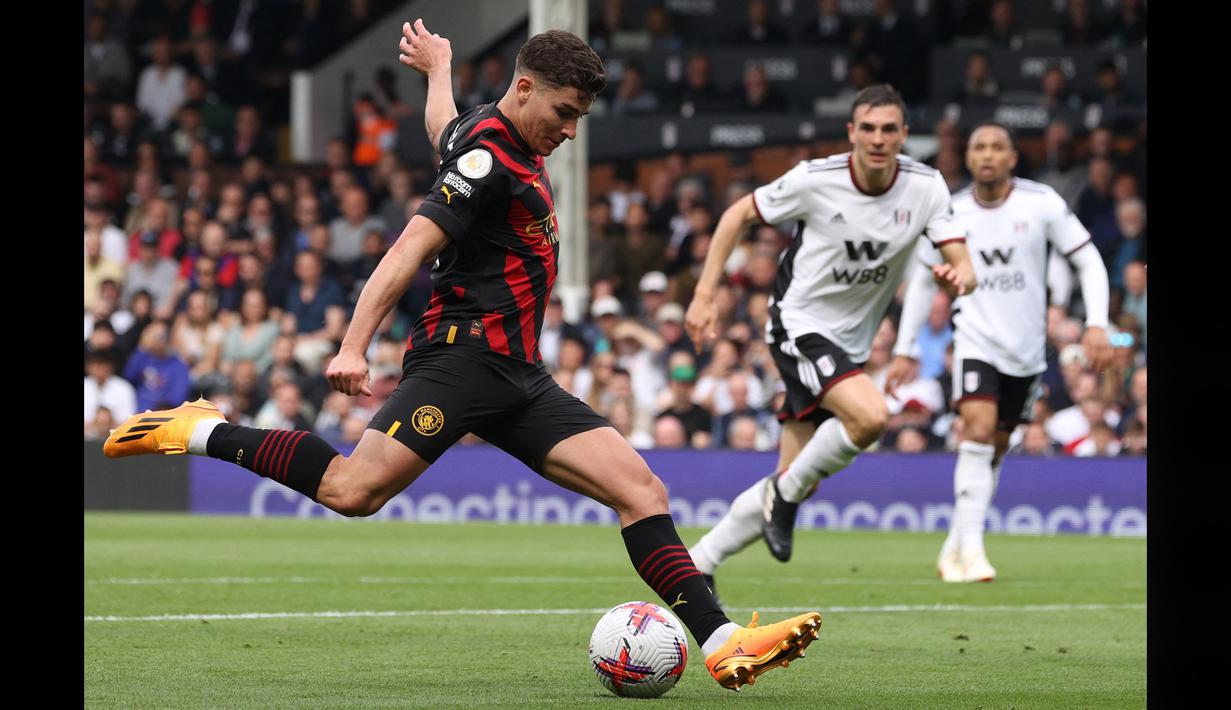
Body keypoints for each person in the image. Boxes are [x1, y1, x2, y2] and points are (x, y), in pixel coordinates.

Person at [104, 21, 820, 692]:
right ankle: (197, 428)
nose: (569, 131)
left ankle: (722, 639)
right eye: (563, 112)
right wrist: (354, 343)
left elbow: (443, 132)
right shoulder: (489, 159)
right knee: (353, 493)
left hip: (517, 375)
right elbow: (409, 247)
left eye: (579, 119)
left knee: (642, 492)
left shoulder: (492, 138)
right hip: (460, 363)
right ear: (525, 90)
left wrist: (438, 71)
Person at [684, 85, 976, 595]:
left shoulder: (926, 186)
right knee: (870, 418)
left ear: (906, 135)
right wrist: (705, 294)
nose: (878, 139)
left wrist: (961, 278)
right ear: (852, 133)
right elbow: (736, 215)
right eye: (868, 128)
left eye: (890, 129)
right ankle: (784, 496)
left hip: (853, 343)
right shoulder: (815, 180)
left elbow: (963, 263)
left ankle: (698, 561)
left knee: (799, 474)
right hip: (798, 322)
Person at [889, 122, 1111, 583]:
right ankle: (972, 551)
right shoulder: (951, 211)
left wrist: (1096, 323)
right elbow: (924, 280)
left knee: (994, 448)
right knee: (978, 428)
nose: (987, 155)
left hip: (1027, 351)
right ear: (968, 159)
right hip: (975, 340)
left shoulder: (1042, 202)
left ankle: (955, 544)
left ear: (1012, 157)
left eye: (996, 147)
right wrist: (905, 347)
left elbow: (1088, 260)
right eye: (978, 147)